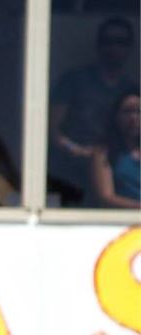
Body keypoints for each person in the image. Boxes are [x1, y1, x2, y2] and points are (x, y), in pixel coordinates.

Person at [51, 17, 138, 202]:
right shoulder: (74, 81)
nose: (114, 48)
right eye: (108, 41)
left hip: (114, 176)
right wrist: (78, 151)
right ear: (98, 46)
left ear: (130, 48)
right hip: (69, 177)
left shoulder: (130, 89)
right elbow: (53, 130)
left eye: (121, 42)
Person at [88, 86, 140, 207]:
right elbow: (106, 197)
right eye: (127, 112)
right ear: (116, 117)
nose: (133, 118)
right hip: (120, 221)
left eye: (139, 112)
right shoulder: (103, 153)